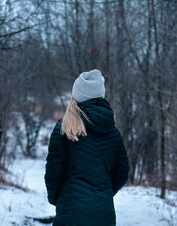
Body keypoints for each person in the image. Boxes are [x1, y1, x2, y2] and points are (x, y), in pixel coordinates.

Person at [44, 69, 129, 226]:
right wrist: (104, 193)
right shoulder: (113, 131)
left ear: (77, 95)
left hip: (70, 209)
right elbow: (122, 172)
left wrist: (56, 198)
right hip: (104, 212)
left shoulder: (65, 127)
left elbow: (53, 171)